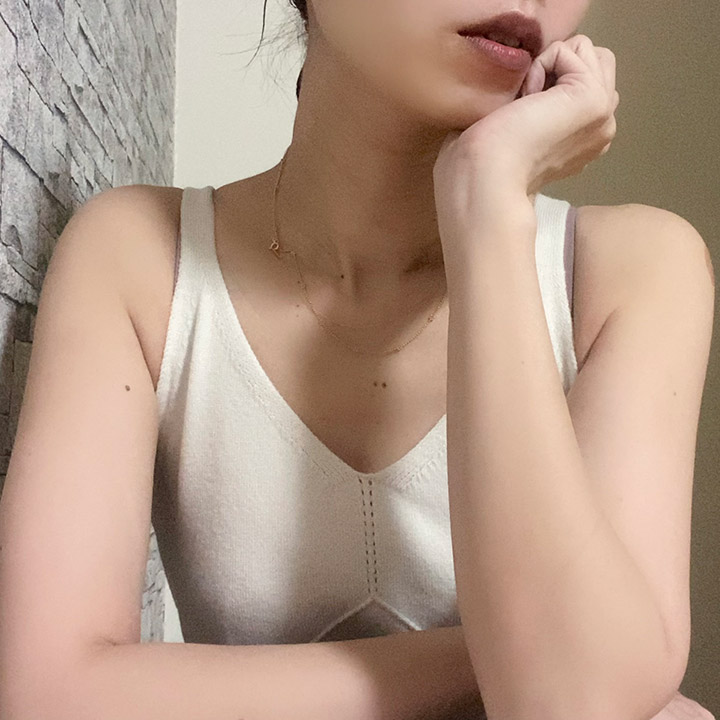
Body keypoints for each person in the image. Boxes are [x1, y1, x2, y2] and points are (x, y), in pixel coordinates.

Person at [0, 1, 715, 719]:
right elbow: (50, 698)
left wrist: (489, 204)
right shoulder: (142, 259)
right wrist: (526, 655)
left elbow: (572, 704)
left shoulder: (629, 273)